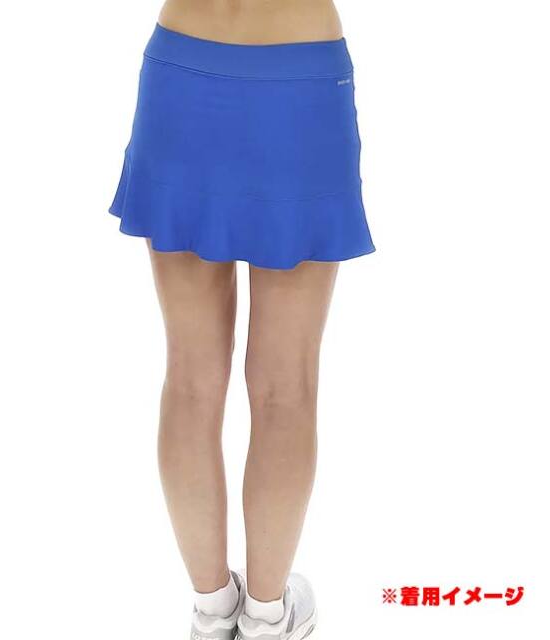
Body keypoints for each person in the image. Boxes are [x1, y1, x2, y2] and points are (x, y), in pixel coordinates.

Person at [108, 2, 375, 638]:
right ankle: (266, 616)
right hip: (299, 87)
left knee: (190, 378)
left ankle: (212, 611)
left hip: (184, 72)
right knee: (286, 386)